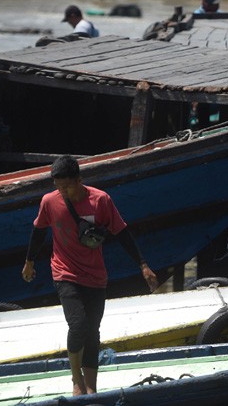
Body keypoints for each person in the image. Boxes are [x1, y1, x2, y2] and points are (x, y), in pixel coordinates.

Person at [22, 155, 158, 395]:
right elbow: (38, 232)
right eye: (58, 186)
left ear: (80, 180)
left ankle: (91, 386)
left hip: (95, 276)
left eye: (67, 185)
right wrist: (29, 261)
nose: (63, 191)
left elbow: (122, 232)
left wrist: (143, 264)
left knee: (93, 331)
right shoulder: (49, 202)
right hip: (64, 272)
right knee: (78, 325)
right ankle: (76, 380)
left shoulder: (101, 200)